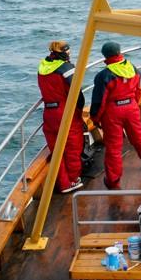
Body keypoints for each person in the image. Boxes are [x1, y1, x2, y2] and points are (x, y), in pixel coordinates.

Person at [91, 41, 141, 189]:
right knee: (139, 138)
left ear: (105, 56)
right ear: (120, 53)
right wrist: (132, 105)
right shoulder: (133, 69)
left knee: (114, 147)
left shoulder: (103, 76)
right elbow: (137, 92)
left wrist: (96, 118)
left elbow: (100, 101)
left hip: (113, 112)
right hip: (131, 107)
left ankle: (113, 181)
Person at [37, 40, 85, 193]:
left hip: (48, 113)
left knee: (56, 150)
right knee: (72, 148)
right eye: (68, 52)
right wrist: (79, 111)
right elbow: (77, 94)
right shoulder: (66, 68)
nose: (70, 55)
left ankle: (63, 183)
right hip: (65, 113)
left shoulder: (42, 67)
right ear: (63, 53)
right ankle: (73, 179)